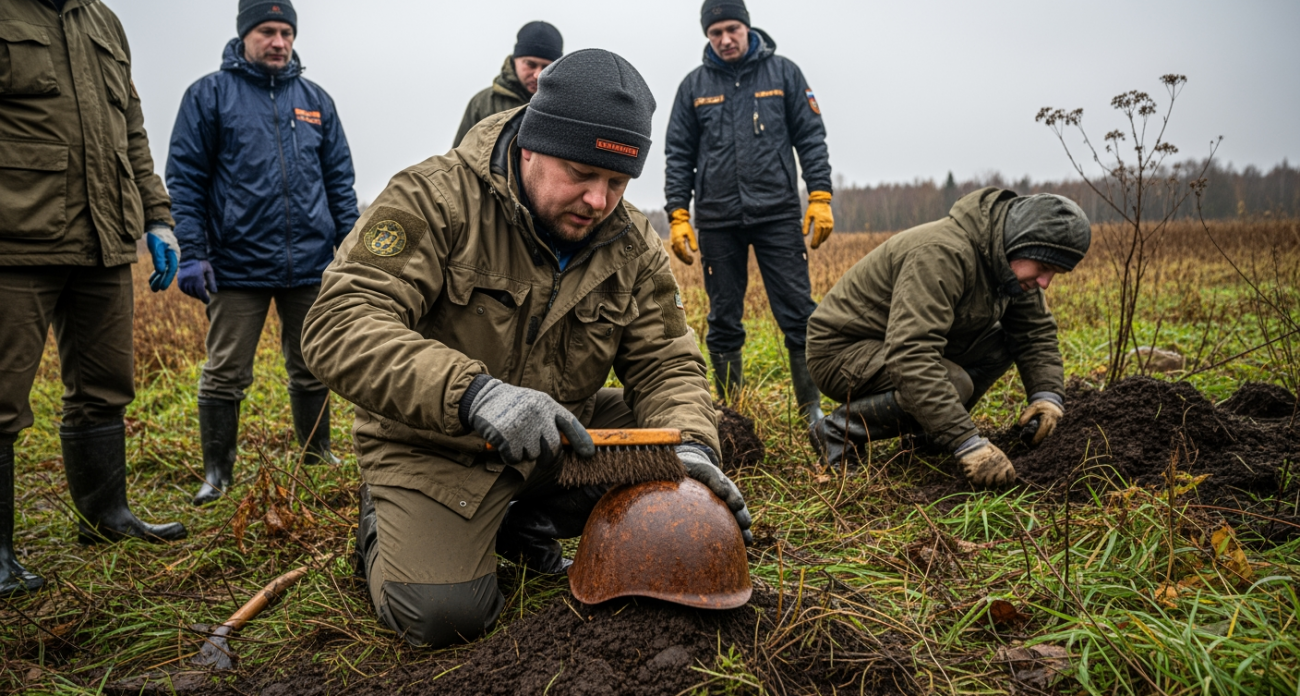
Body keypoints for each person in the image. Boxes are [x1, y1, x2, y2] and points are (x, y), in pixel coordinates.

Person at [301, 49, 751, 649]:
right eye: (581, 175)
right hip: (437, 442)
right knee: (445, 617)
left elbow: (667, 362)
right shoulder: (435, 199)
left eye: (617, 182)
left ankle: (517, 519)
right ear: (531, 145)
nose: (599, 201)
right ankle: (386, 517)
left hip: (559, 439)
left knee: (687, 444)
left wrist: (691, 452)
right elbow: (338, 322)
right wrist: (473, 394)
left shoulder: (629, 240)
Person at [0, 0, 188, 596]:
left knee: (106, 385)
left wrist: (157, 218)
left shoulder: (104, 21)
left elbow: (132, 129)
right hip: (14, 237)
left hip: (104, 236)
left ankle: (106, 518)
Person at [166, 0, 359, 506]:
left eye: (286, 32)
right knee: (226, 370)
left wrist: (352, 247)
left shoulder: (316, 100)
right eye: (267, 31)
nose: (279, 42)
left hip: (311, 265)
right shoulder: (208, 95)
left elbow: (340, 182)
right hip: (236, 265)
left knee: (312, 363)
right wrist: (192, 251)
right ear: (245, 35)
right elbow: (185, 180)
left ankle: (317, 455)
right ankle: (217, 473)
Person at [805, 189, 1091, 484]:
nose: (1045, 282)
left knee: (1001, 342)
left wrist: (1047, 397)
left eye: (1055, 273)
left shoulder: (1010, 267)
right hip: (840, 352)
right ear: (1018, 242)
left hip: (894, 343)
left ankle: (928, 433)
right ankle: (838, 431)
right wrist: (967, 443)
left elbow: (1035, 333)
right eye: (1043, 267)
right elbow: (911, 356)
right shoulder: (942, 253)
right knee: (954, 383)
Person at [664, 0, 834, 424]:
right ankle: (731, 413)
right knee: (722, 317)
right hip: (718, 220)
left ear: (747, 27)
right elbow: (678, 155)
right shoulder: (693, 86)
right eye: (715, 32)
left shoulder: (784, 74)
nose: (724, 39)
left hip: (777, 214)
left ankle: (811, 410)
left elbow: (811, 137)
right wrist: (678, 214)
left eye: (731, 29)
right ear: (707, 36)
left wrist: (820, 195)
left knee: (798, 312)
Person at [452, 21, 562, 148]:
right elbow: (458, 160)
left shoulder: (567, 106)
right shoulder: (482, 102)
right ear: (514, 60)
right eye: (530, 64)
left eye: (546, 67)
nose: (537, 74)